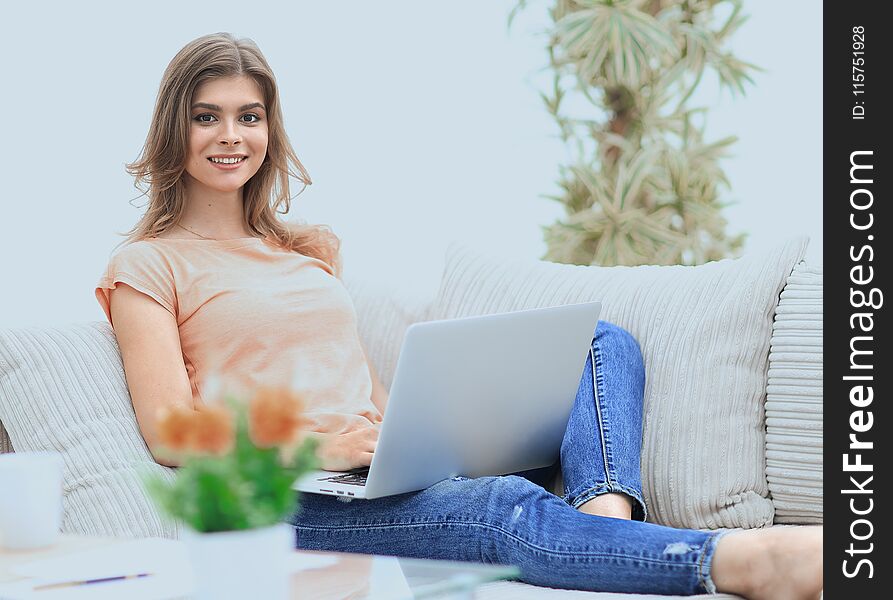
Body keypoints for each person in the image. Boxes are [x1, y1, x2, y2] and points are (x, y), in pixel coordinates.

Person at [95, 32, 822, 598]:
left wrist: (407, 430)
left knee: (598, 343)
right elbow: (170, 436)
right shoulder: (147, 266)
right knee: (500, 503)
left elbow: (347, 378)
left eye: (248, 116)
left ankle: (602, 527)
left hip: (372, 468)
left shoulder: (306, 250)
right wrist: (329, 454)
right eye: (207, 117)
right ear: (174, 128)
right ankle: (738, 562)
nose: (232, 136)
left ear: (268, 127)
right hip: (287, 497)